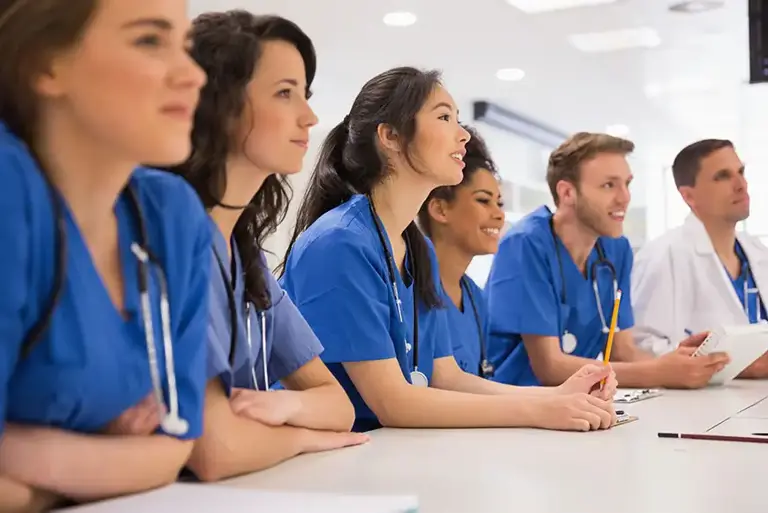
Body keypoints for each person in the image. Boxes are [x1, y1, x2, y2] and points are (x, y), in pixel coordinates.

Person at [279, 66, 618, 434]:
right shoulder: (339, 243)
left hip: (390, 452)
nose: (463, 137)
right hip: (330, 465)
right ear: (390, 136)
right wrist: (538, 411)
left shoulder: (417, 246)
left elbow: (447, 377)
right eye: (444, 117)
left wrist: (555, 397)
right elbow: (394, 403)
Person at [0, 0, 211, 510]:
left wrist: (29, 453)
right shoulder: (9, 188)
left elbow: (174, 445)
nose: (194, 75)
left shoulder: (171, 216)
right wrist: (106, 460)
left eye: (184, 46)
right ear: (47, 65)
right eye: (149, 40)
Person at [167, 11, 364, 482]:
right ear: (221, 105)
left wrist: (281, 404)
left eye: (305, 94)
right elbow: (217, 451)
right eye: (284, 93)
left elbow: (338, 405)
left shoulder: (243, 252)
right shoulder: (173, 237)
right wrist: (302, 436)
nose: (310, 117)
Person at [485, 132, 729, 389]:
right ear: (568, 192)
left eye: (627, 183)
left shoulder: (615, 248)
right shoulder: (525, 244)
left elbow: (622, 350)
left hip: (574, 404)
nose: (625, 197)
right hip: (514, 408)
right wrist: (658, 372)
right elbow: (550, 366)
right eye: (609, 185)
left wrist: (679, 364)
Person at [632, 139, 767, 378]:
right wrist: (737, 364)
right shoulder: (663, 255)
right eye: (723, 176)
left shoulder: (757, 252)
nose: (740, 184)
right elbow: (641, 347)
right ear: (688, 196)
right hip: (706, 407)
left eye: (741, 172)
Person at [417, 125, 503, 377]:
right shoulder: (413, 291)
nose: (498, 214)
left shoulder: (475, 298)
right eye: (483, 200)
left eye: (499, 203)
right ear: (440, 210)